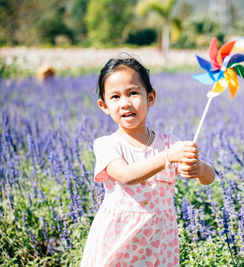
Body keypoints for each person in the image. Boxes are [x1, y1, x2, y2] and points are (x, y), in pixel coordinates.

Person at [80, 56, 215, 267]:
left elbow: (209, 178)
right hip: (120, 238)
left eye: (133, 93)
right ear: (104, 105)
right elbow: (126, 175)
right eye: (115, 97)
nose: (125, 102)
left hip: (159, 241)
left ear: (150, 97)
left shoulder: (169, 142)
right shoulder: (106, 145)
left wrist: (200, 168)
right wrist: (168, 157)